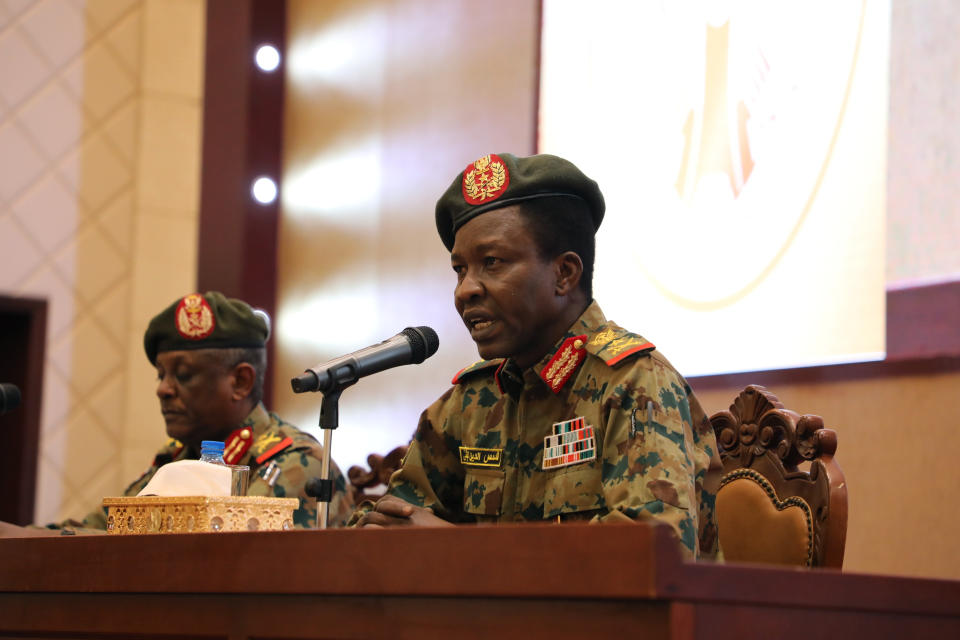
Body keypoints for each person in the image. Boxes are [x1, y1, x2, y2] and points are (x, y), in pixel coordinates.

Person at [353, 153, 722, 560]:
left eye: (491, 263)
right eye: (460, 269)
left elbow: (651, 552)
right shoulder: (475, 400)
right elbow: (395, 519)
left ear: (564, 274)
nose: (465, 290)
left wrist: (458, 550)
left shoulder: (634, 383)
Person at [28, 292, 353, 534]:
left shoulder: (295, 463)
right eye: (161, 375)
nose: (163, 389)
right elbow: (100, 530)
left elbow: (220, 559)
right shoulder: (177, 458)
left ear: (240, 381)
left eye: (182, 375)